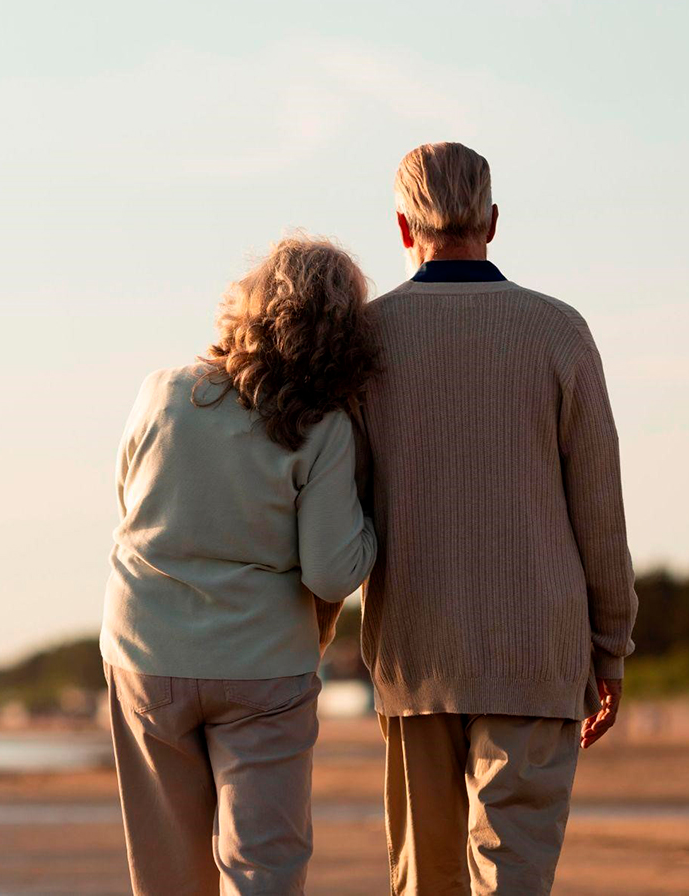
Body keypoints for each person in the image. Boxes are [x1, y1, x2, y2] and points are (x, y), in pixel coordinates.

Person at [361, 142, 639, 895]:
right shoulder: (558, 332)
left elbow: (339, 507)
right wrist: (610, 647)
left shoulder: (366, 340)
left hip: (416, 654)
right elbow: (600, 510)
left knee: (427, 882)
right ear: (492, 220)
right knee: (515, 881)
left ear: (400, 226)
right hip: (535, 651)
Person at [99, 234, 380, 895]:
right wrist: (375, 527)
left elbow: (128, 499)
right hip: (263, 665)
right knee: (264, 869)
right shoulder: (325, 426)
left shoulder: (163, 393)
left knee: (168, 872)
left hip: (147, 651)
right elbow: (332, 573)